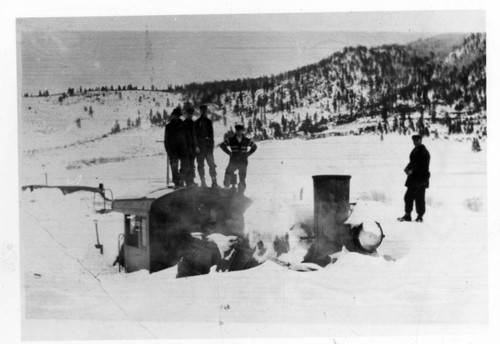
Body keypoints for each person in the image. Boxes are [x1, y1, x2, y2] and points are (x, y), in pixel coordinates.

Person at [398, 135, 431, 222]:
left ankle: (420, 217)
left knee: (419, 198)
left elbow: (422, 166)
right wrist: (407, 168)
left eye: (417, 140)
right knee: (408, 197)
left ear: (420, 140)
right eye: (414, 140)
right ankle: (407, 215)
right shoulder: (415, 150)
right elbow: (412, 162)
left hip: (421, 179)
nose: (415, 142)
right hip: (413, 179)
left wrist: (412, 171)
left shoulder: (424, 151)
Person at [220, 124, 257, 194]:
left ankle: (241, 191)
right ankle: (229, 187)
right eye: (237, 130)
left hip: (243, 161)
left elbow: (254, 146)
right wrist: (229, 153)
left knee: (242, 176)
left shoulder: (246, 140)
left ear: (242, 131)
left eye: (240, 130)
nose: (239, 132)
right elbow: (222, 145)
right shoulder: (231, 139)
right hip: (233, 161)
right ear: (236, 131)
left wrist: (248, 154)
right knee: (228, 172)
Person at [164, 108, 189, 189]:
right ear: (173, 116)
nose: (177, 117)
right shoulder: (169, 126)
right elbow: (166, 140)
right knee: (174, 167)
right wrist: (168, 151)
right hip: (173, 150)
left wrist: (187, 148)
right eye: (175, 115)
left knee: (184, 165)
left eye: (178, 116)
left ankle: (181, 180)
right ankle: (176, 182)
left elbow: (188, 138)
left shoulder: (184, 125)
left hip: (183, 149)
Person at [195, 104, 218, 187]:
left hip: (208, 148)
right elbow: (195, 136)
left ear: (206, 111)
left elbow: (212, 136)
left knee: (212, 165)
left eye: (205, 110)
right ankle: (203, 182)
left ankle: (214, 182)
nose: (203, 112)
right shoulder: (197, 122)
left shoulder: (209, 122)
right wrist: (196, 146)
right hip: (200, 148)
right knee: (200, 165)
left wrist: (211, 148)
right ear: (200, 111)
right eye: (202, 111)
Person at [183, 108, 197, 187]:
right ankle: (187, 182)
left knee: (192, 165)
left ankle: (191, 181)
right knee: (186, 165)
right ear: (186, 114)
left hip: (192, 149)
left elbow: (195, 137)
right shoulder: (183, 124)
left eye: (191, 114)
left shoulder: (194, 124)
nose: (190, 115)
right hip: (185, 148)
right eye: (188, 114)